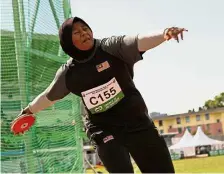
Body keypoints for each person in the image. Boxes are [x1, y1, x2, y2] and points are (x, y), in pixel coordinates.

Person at [16, 17, 187, 173]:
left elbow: (137, 41)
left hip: (137, 122)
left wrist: (164, 33)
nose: (84, 33)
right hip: (104, 129)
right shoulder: (68, 74)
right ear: (68, 41)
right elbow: (49, 96)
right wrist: (29, 111)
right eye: (76, 32)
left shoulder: (111, 48)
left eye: (85, 28)